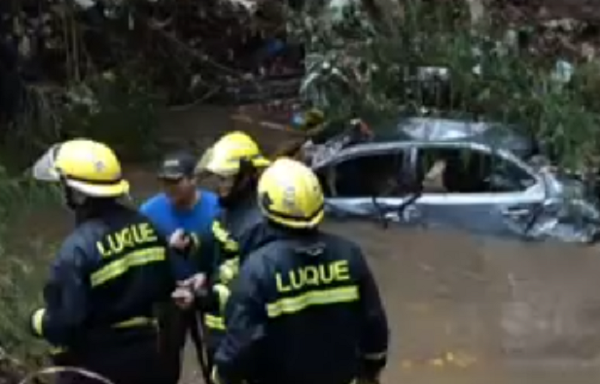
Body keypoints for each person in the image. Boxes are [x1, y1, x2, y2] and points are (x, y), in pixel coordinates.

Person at [212, 157, 389, 384]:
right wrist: (372, 370)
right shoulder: (350, 255)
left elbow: (241, 344)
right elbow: (374, 325)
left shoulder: (258, 269)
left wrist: (222, 374)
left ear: (265, 205)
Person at [28, 139, 177, 384]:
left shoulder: (76, 250)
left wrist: (37, 321)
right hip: (150, 357)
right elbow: (165, 289)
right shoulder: (149, 227)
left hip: (97, 365)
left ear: (76, 193)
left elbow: (67, 324)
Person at [174, 131, 271, 370]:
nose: (220, 187)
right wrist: (193, 248)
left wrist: (203, 297)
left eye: (225, 179)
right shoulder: (227, 211)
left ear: (247, 176)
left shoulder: (258, 224)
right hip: (219, 329)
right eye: (218, 179)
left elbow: (251, 291)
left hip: (242, 335)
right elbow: (220, 256)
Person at [140, 150, 221, 383]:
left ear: (194, 179)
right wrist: (166, 245)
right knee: (166, 359)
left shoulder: (216, 208)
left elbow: (228, 253)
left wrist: (206, 278)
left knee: (216, 355)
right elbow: (142, 257)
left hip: (209, 289)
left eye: (175, 181)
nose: (169, 188)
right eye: (164, 181)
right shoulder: (149, 212)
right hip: (170, 294)